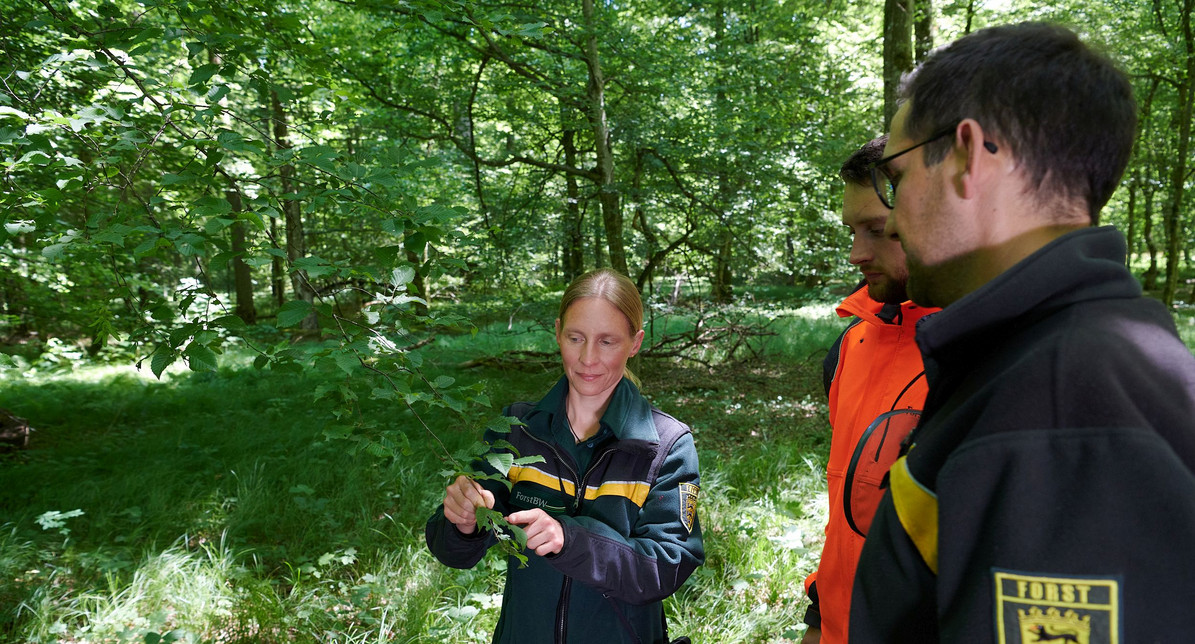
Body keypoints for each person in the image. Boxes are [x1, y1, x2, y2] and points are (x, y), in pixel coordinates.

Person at [850, 21, 1195, 642]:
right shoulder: (1068, 356)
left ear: (965, 156)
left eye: (895, 179)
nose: (892, 220)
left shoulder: (1062, 408)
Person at [425, 268, 704, 644]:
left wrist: (569, 539)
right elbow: (454, 553)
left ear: (635, 343)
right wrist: (462, 521)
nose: (588, 358)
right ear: (558, 333)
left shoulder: (666, 445)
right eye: (576, 338)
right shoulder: (518, 429)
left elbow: (667, 567)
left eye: (607, 341)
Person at [800, 137, 939, 644]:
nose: (857, 254)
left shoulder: (978, 356)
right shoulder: (850, 347)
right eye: (852, 231)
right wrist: (819, 620)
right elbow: (847, 512)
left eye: (876, 230)